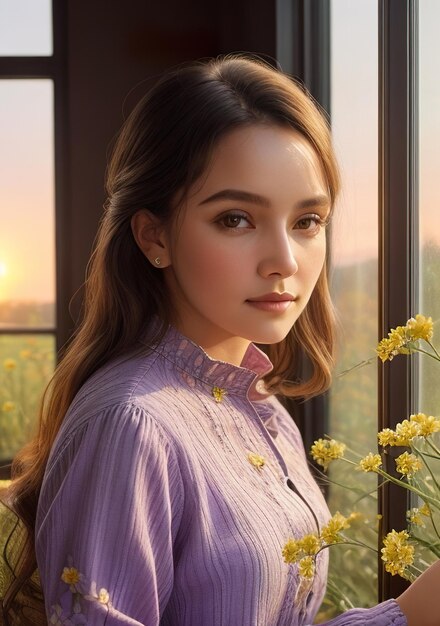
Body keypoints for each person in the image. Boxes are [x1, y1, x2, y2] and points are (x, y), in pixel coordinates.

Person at [1, 53, 438, 626]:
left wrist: (410, 612)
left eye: (307, 222)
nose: (284, 261)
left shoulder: (261, 408)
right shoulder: (133, 424)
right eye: (236, 219)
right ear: (153, 234)